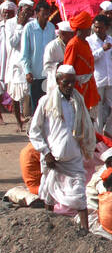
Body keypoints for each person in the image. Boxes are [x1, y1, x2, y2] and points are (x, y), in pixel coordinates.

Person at [27, 65, 94, 229]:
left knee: (79, 194)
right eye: (66, 82)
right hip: (53, 157)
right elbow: (34, 131)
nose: (70, 86)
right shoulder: (46, 102)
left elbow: (85, 127)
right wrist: (46, 152)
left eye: (73, 82)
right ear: (58, 81)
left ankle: (85, 232)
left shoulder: (78, 101)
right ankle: (48, 228)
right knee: (49, 193)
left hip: (73, 156)